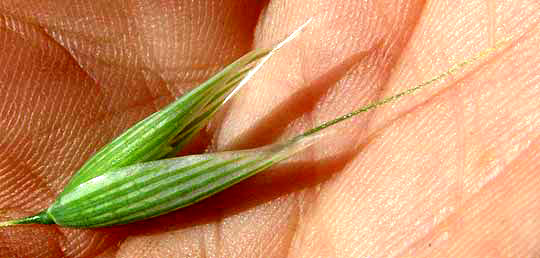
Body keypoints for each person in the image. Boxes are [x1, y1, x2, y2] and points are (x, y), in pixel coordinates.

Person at [0, 1, 538, 257]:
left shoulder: (73, 206)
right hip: (84, 202)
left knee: (246, 104)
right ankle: (270, 81)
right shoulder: (74, 207)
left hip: (83, 202)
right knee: (250, 111)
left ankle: (270, 75)